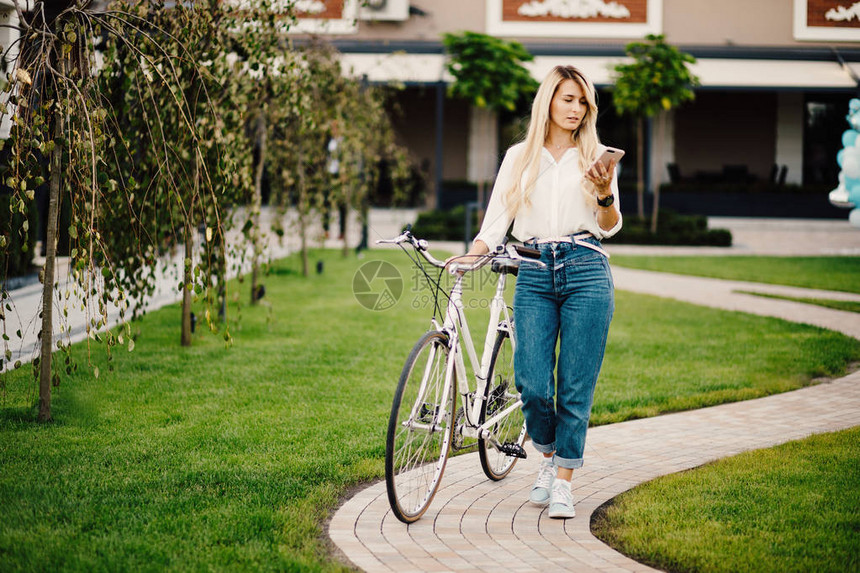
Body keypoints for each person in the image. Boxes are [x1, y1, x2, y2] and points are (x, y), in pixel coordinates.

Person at [457, 65, 622, 519]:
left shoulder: (595, 157)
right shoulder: (519, 157)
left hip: (586, 267)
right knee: (531, 382)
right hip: (533, 271)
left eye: (583, 101)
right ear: (548, 101)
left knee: (575, 386)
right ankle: (547, 458)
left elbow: (610, 227)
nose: (576, 109)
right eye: (568, 99)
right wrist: (472, 256)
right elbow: (495, 221)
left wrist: (605, 195)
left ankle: (564, 480)